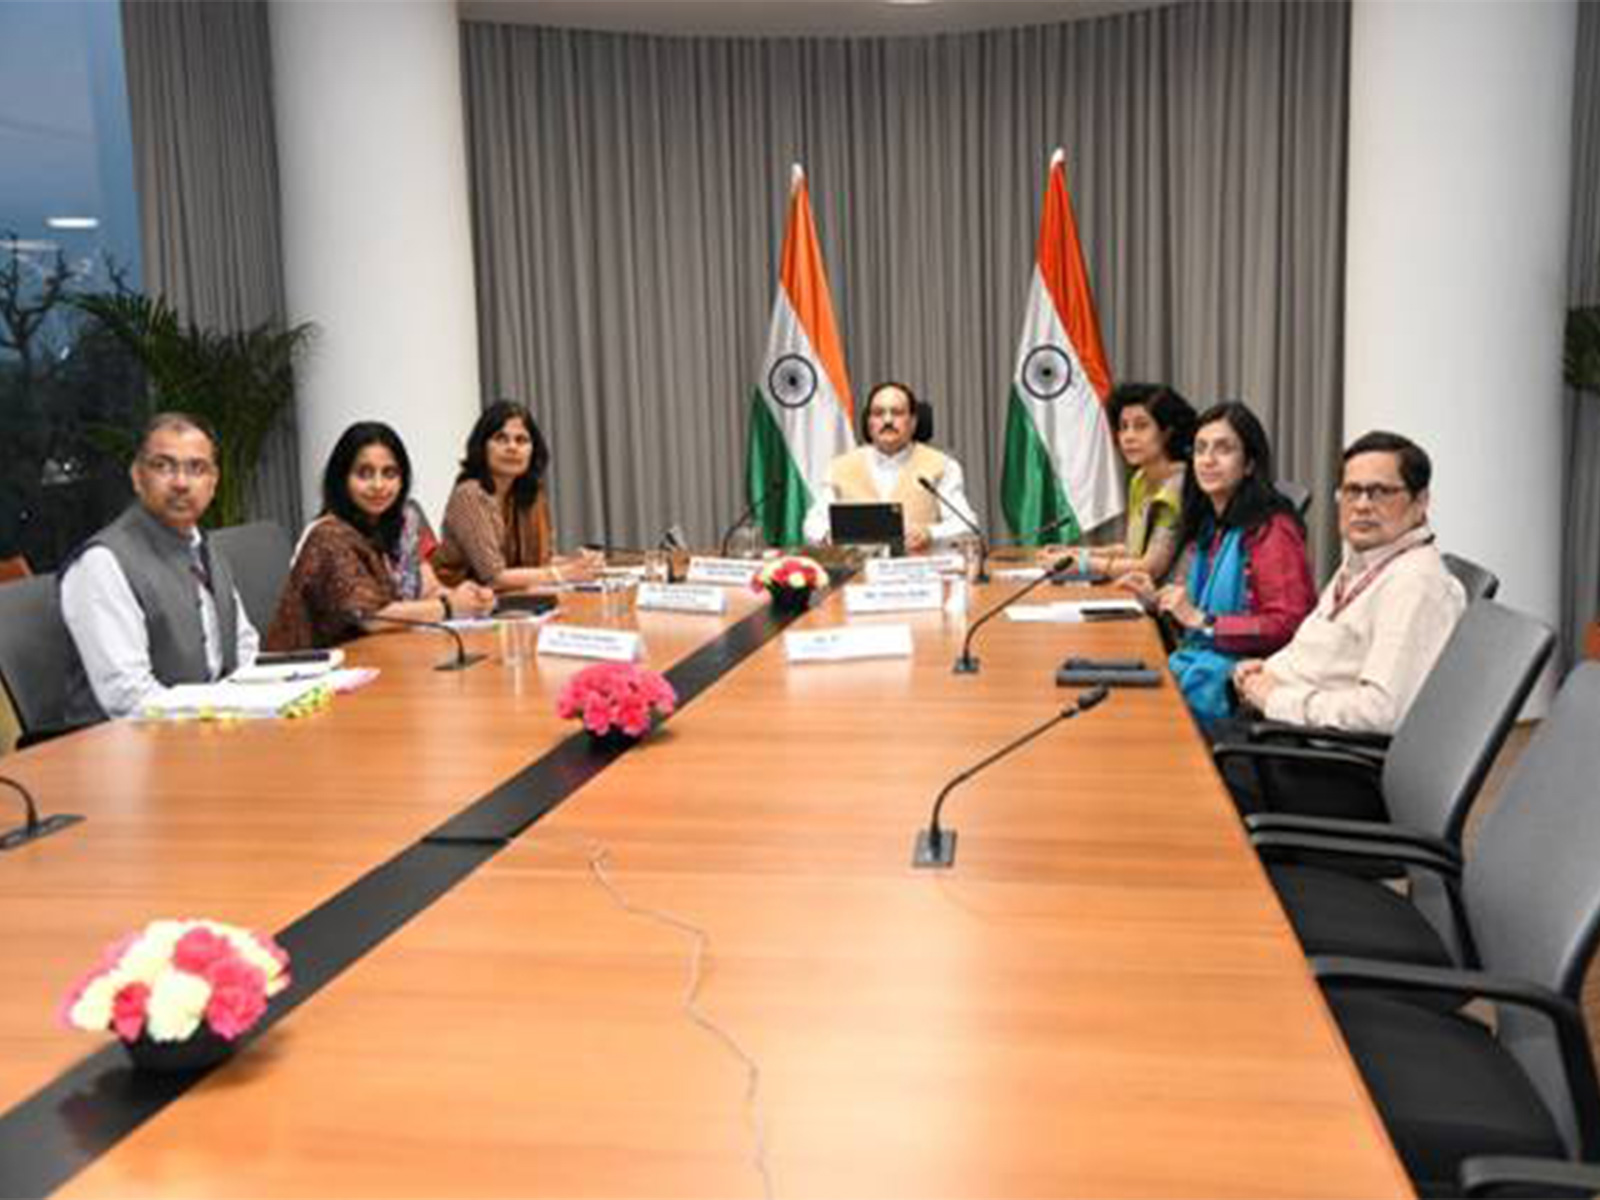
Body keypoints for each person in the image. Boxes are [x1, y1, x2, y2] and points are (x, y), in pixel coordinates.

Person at [1230, 431, 1465, 734]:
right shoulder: (1366, 558)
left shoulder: (1413, 585)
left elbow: (1381, 712)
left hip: (1311, 747)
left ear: (1421, 501)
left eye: (1381, 492)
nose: (1362, 505)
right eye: (1352, 490)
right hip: (1282, 719)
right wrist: (1269, 670)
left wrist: (1276, 698)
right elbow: (1322, 650)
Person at [1121, 400, 1315, 727]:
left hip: (1245, 684)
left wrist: (1204, 621)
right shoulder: (1212, 524)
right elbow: (1193, 614)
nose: (1208, 460)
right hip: (1202, 664)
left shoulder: (1271, 530)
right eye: (1200, 449)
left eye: (1223, 449)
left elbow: (1288, 625)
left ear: (1249, 463)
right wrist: (1157, 601)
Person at [59, 411, 260, 721]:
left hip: (208, 727)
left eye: (197, 468)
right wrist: (222, 713)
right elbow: (129, 698)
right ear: (137, 477)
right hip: (124, 741)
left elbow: (244, 649)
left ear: (213, 483)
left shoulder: (205, 547)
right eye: (163, 466)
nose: (181, 483)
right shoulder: (103, 562)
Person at [265, 422, 496, 650]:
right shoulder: (328, 536)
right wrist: (449, 606)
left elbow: (428, 588)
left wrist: (472, 599)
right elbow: (373, 618)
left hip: (380, 652)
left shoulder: (403, 523)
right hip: (315, 665)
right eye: (364, 474)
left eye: (389, 473)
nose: (378, 485)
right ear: (341, 478)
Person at [432, 401, 598, 591]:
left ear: (533, 450)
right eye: (501, 438)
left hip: (514, 599)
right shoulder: (470, 495)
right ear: (482, 447)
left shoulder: (531, 493)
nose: (512, 447)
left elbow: (540, 563)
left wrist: (578, 563)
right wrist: (563, 573)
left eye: (521, 440)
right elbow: (494, 577)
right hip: (459, 598)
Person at [802, 381, 978, 553]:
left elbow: (967, 524)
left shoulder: (942, 466)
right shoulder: (839, 468)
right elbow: (813, 525)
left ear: (913, 422)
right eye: (878, 413)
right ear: (869, 423)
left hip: (918, 569)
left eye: (897, 413)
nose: (887, 420)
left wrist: (931, 533)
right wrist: (828, 536)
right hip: (858, 569)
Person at [1064, 383, 1195, 583]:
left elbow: (1150, 568)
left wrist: (1082, 562)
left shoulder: (1178, 486)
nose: (1128, 437)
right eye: (1123, 427)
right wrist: (1074, 554)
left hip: (1168, 597)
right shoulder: (1140, 479)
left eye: (1141, 426)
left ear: (1166, 431)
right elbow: (1133, 550)